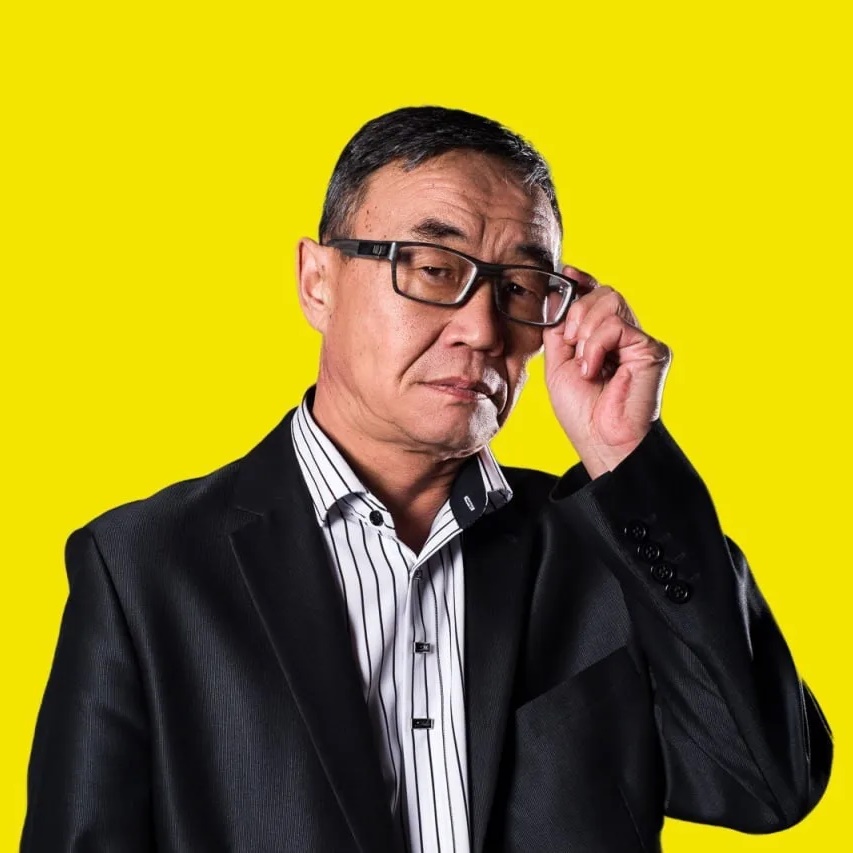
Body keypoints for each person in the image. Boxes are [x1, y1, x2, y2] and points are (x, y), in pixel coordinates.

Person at [22, 106, 832, 853]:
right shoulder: (145, 568)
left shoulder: (605, 548)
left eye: (519, 288)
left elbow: (766, 784)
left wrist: (625, 457)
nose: (482, 328)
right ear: (316, 280)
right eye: (435, 268)